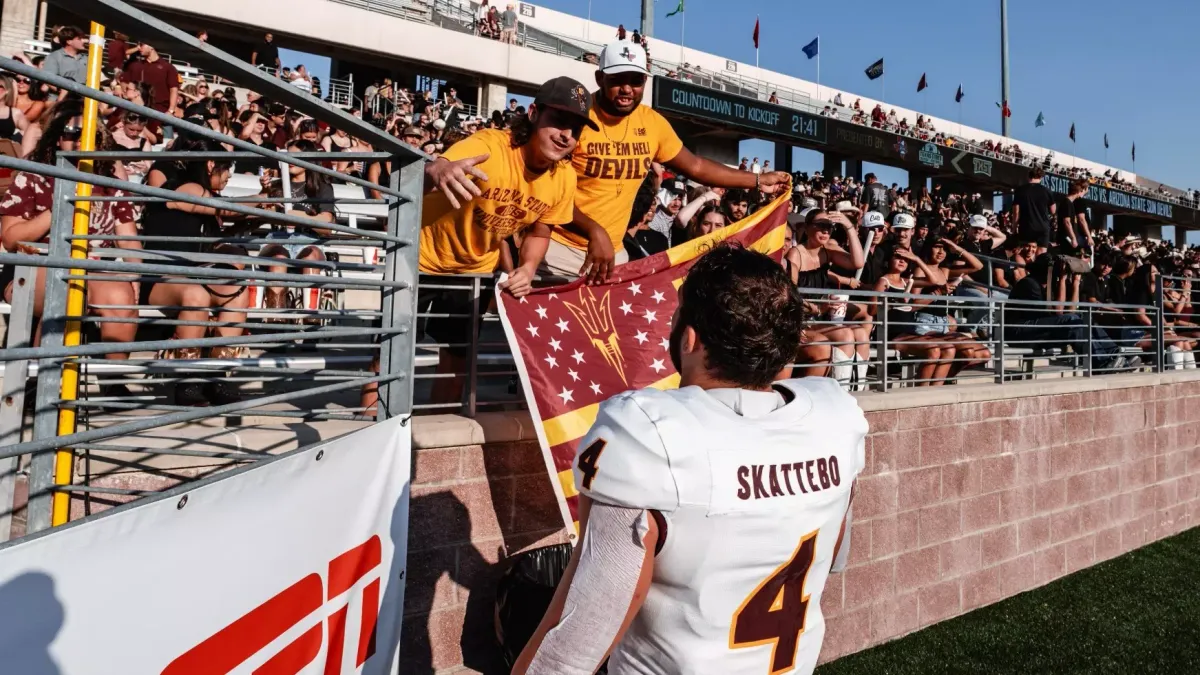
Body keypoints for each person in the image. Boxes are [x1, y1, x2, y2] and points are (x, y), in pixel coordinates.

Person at [512, 244, 867, 675]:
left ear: (690, 336)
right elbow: (834, 558)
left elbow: (582, 633)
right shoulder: (834, 417)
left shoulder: (649, 432)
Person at [547, 40, 790, 283]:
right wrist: (593, 230)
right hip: (557, 250)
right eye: (617, 79)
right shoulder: (576, 117)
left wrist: (758, 180)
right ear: (600, 78)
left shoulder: (652, 123)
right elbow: (549, 192)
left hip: (612, 254)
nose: (627, 89)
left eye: (636, 80)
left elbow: (695, 166)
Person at [415, 76, 595, 403]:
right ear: (533, 113)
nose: (566, 135)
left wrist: (527, 268)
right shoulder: (491, 145)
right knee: (389, 352)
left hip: (473, 270)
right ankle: (372, 428)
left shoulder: (564, 177)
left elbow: (542, 229)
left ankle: (434, 431)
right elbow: (439, 167)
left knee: (456, 360)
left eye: (576, 129)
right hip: (421, 257)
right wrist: (438, 171)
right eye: (558, 121)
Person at [0, 102, 140, 365]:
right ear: (56, 137)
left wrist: (135, 276)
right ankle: (42, 386)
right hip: (32, 268)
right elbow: (10, 239)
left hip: (93, 268)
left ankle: (113, 381)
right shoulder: (34, 175)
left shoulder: (110, 182)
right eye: (71, 134)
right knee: (66, 291)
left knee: (121, 298)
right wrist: (60, 208)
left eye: (90, 134)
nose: (80, 141)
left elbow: (129, 242)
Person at [121, 43, 180, 123]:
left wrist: (171, 110)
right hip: (136, 110)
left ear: (151, 47)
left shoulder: (168, 67)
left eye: (142, 45)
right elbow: (124, 82)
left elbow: (174, 89)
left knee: (166, 134)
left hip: (161, 112)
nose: (139, 48)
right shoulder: (135, 66)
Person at [1010, 166, 1055, 252]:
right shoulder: (1047, 191)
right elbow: (1053, 210)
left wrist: (1014, 228)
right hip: (1043, 227)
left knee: (1025, 253)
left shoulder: (1020, 190)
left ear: (1029, 176)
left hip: (1026, 227)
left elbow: (1016, 211)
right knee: (1041, 256)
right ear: (1041, 177)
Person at [42, 25, 89, 94]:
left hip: (83, 99)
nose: (84, 41)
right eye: (79, 39)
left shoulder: (86, 59)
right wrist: (62, 91)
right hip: (60, 99)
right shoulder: (54, 57)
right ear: (69, 41)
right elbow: (48, 79)